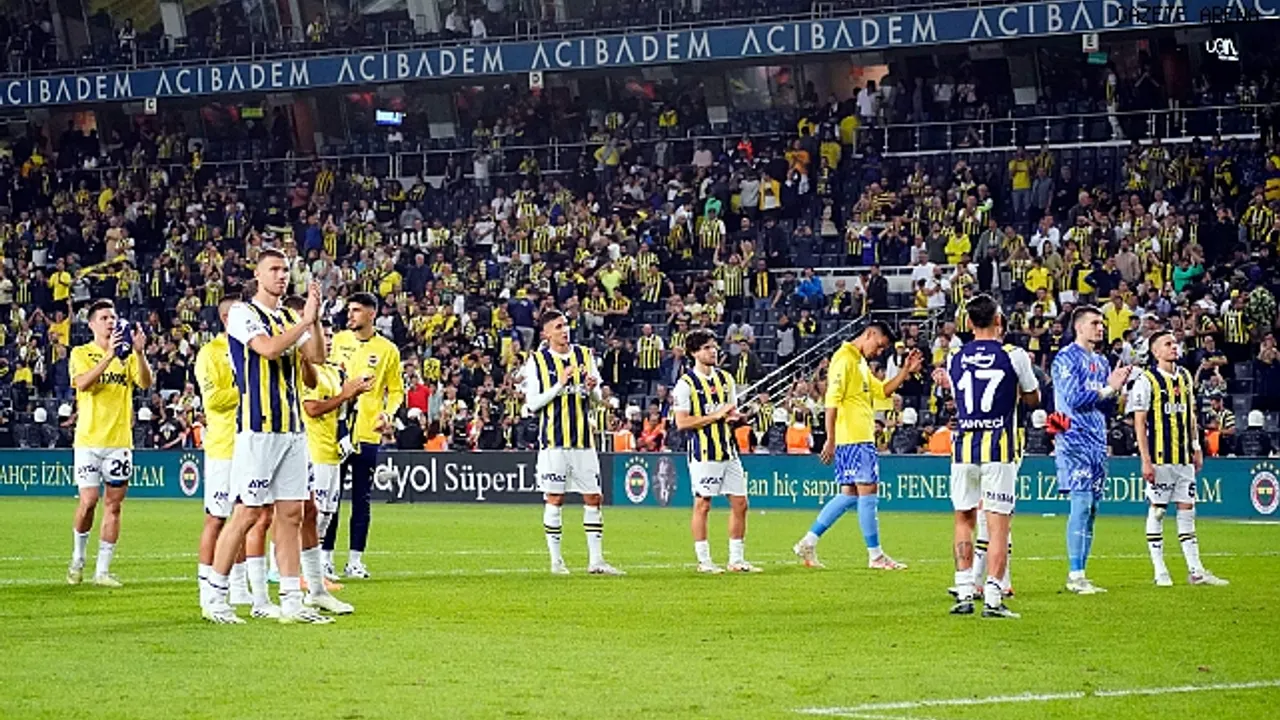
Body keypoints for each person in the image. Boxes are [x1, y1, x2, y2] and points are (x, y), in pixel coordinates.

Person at [201, 250, 328, 625]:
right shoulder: (244, 313)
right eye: (274, 269)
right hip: (258, 429)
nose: (281, 275)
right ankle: (216, 598)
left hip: (292, 430)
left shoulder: (289, 317)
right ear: (257, 275)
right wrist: (304, 322)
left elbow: (317, 358)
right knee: (246, 513)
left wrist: (314, 320)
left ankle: (291, 601)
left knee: (291, 514)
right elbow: (268, 350)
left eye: (286, 270)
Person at [932, 295, 1039, 618]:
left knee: (963, 519)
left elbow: (959, 398)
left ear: (968, 323)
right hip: (999, 449)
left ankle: (964, 591)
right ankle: (993, 597)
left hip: (963, 448)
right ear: (999, 320)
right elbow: (1033, 399)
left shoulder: (955, 356)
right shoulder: (1014, 355)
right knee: (997, 525)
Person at [793, 320, 922, 569]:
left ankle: (808, 542)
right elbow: (832, 401)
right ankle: (876, 556)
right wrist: (830, 439)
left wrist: (905, 370)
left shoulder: (859, 362)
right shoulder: (844, 359)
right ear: (870, 334)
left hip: (853, 437)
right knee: (868, 490)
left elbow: (882, 391)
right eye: (879, 345)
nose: (879, 351)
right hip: (855, 437)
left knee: (850, 494)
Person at [519, 310, 622, 575]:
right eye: (558, 326)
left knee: (594, 497)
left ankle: (596, 561)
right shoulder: (537, 361)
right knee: (555, 498)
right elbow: (533, 404)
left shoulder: (584, 355)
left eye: (565, 325)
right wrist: (559, 384)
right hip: (553, 442)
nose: (564, 330)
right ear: (546, 333)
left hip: (584, 441)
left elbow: (597, 397)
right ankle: (556, 562)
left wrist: (592, 388)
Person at [1128, 331, 1229, 587]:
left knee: (1187, 511)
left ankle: (1196, 571)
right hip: (1160, 458)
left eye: (1175, 343)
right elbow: (1139, 422)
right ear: (1155, 351)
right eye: (1168, 344)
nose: (1174, 347)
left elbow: (1191, 415)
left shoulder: (1184, 376)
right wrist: (1145, 460)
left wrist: (1196, 446)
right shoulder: (1146, 380)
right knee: (1158, 511)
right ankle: (1160, 570)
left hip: (1184, 458)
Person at [67, 299, 153, 587]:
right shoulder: (81, 353)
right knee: (89, 501)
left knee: (113, 506)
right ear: (92, 324)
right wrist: (108, 357)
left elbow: (145, 383)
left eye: (113, 317)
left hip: (119, 442)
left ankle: (102, 571)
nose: (110, 322)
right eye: (104, 318)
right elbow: (83, 384)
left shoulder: (127, 356)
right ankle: (78, 558)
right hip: (88, 441)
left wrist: (139, 353)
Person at [322, 292, 404, 580]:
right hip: (337, 430)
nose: (350, 315)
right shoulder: (338, 341)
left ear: (372, 314)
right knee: (330, 496)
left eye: (356, 310)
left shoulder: (388, 350)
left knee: (362, 498)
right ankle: (325, 558)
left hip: (368, 432)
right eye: (349, 310)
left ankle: (355, 560)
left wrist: (388, 414)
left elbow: (396, 391)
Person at [1050, 305, 1132, 595]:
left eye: (1102, 323)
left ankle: (1081, 573)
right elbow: (1074, 398)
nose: (1101, 328)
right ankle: (1074, 575)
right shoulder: (1065, 358)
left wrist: (1119, 391)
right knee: (1082, 502)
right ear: (1079, 327)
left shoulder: (1101, 361)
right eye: (1095, 323)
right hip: (1073, 438)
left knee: (1093, 507)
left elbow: (1104, 406)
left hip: (1097, 440)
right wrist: (1108, 388)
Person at [672, 329, 759, 574]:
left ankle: (736, 560)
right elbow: (682, 423)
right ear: (694, 352)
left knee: (741, 503)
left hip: (728, 450)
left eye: (714, 347)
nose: (713, 351)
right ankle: (704, 561)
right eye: (707, 348)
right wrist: (715, 416)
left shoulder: (726, 379)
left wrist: (738, 418)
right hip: (703, 452)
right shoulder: (685, 384)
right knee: (703, 504)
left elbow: (729, 414)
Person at [195, 297, 254, 610]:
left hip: (250, 445)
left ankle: (239, 587)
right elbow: (214, 400)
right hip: (223, 447)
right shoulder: (210, 353)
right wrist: (247, 389)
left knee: (243, 518)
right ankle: (205, 587)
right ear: (227, 318)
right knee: (216, 519)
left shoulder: (253, 349)